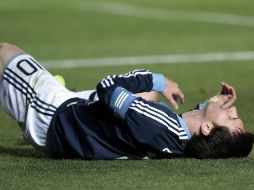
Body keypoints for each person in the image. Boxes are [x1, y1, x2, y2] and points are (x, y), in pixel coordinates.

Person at [0, 43, 253, 159]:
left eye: (231, 118)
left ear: (208, 128)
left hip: (57, 118)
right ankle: (69, 91)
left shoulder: (159, 123)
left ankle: (55, 92)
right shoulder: (180, 139)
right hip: (82, 128)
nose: (233, 110)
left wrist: (158, 80)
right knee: (147, 99)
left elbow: (108, 87)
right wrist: (209, 104)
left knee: (4, 52)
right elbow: (189, 123)